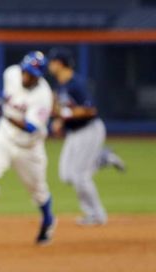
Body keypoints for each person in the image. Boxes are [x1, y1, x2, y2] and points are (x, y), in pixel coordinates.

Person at [0, 51, 56, 245]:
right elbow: (7, 97)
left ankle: (48, 220)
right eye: (26, 71)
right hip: (4, 137)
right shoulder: (11, 73)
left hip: (29, 148)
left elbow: (31, 126)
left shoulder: (43, 96)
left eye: (32, 74)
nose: (26, 76)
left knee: (39, 192)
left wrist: (4, 114)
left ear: (39, 76)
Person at [48, 48, 123, 226]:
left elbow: (89, 110)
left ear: (59, 63)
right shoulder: (61, 84)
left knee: (80, 176)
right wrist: (60, 121)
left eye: (52, 62)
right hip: (74, 133)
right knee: (66, 175)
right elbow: (65, 111)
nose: (50, 66)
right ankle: (101, 159)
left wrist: (64, 115)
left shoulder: (76, 84)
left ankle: (97, 215)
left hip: (90, 130)